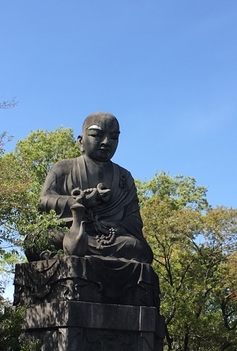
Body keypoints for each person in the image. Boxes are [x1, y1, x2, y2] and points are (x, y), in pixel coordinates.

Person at [34, 112, 153, 263]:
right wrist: (79, 202)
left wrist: (119, 226)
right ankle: (85, 253)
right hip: (70, 231)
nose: (106, 142)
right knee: (42, 239)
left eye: (113, 137)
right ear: (81, 141)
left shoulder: (124, 177)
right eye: (96, 135)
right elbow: (43, 201)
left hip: (111, 238)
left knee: (137, 248)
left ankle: (85, 255)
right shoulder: (64, 167)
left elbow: (134, 218)